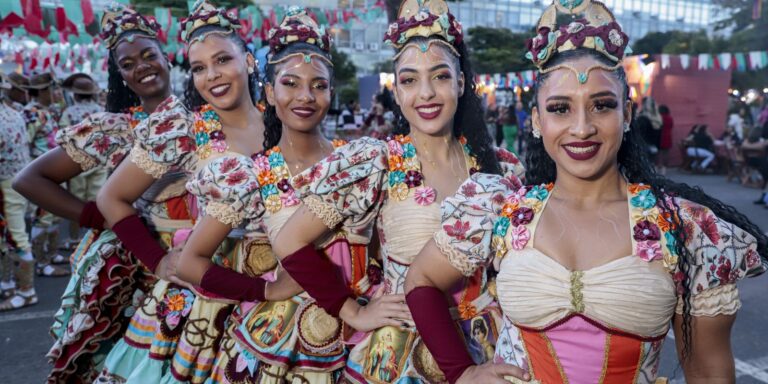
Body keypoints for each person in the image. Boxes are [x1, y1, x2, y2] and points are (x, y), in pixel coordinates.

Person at [405, 1, 767, 383]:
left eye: (601, 106)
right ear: (537, 120)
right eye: (560, 108)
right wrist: (462, 372)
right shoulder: (501, 211)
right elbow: (422, 279)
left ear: (626, 114)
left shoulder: (687, 230)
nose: (582, 128)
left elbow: (709, 373)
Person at [270, 1, 525, 382]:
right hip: (402, 351)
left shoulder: (501, 168)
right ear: (397, 90)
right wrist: (353, 311)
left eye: (440, 76)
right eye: (409, 80)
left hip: (489, 338)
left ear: (460, 83)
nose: (426, 93)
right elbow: (289, 240)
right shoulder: (377, 163)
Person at [176, 9, 389, 382]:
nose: (305, 96)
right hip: (286, 335)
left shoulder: (358, 161)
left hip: (368, 324)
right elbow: (189, 262)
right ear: (271, 93)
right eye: (290, 83)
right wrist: (266, 290)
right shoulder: (252, 175)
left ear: (331, 93)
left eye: (318, 85)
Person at [94, 1, 267, 382]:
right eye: (199, 67)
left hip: (282, 285)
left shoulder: (283, 119)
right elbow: (110, 197)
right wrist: (157, 260)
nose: (212, 75)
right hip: (209, 292)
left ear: (249, 61)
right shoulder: (184, 129)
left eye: (223, 60)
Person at [12, 5, 175, 381]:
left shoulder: (206, 119)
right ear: (121, 76)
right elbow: (29, 179)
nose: (142, 67)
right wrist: (99, 217)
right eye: (128, 64)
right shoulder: (114, 129)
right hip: (136, 266)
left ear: (167, 57)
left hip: (202, 255)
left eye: (149, 55)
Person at [22, 72, 69, 277]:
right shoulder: (31, 113)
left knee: (54, 216)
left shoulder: (47, 111)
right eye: (52, 89)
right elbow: (26, 143)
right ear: (41, 91)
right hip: (41, 177)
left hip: (54, 174)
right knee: (42, 218)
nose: (56, 93)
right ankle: (42, 263)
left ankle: (51, 254)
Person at [58, 73, 105, 248]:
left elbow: (62, 137)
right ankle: (95, 238)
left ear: (75, 95)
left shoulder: (69, 112)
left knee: (76, 201)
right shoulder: (101, 110)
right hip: (99, 161)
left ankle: (74, 239)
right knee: (97, 201)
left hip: (76, 163)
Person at [0, 73, 34, 312]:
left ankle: (27, 291)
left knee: (15, 237)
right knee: (9, 237)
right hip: (16, 180)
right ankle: (9, 284)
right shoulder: (15, 113)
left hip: (6, 183)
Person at [658, 104, 673, 174]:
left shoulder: (659, 117)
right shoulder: (670, 118)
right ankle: (664, 168)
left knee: (658, 153)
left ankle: (658, 166)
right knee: (666, 153)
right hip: (668, 136)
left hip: (660, 136)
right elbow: (671, 126)